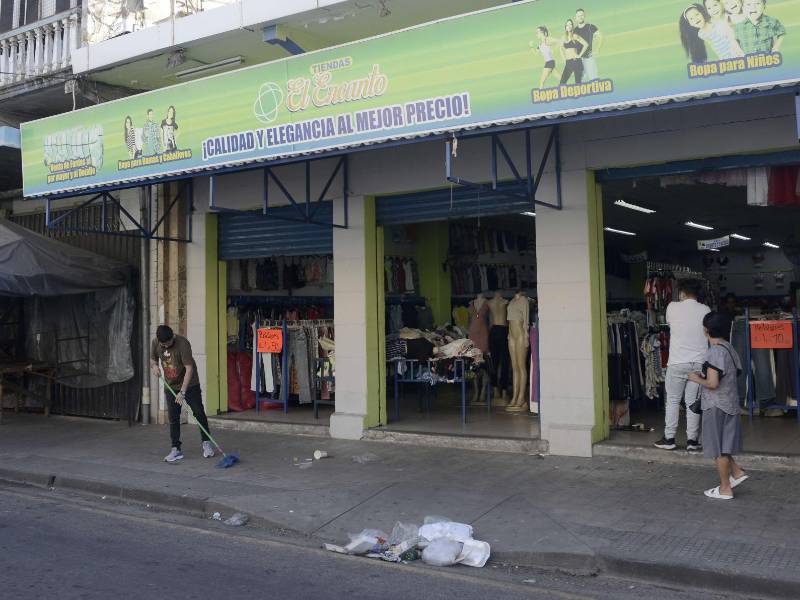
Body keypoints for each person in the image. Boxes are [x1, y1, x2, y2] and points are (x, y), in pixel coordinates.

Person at [688, 312, 748, 500]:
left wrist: (696, 378)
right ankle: (737, 472)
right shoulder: (729, 348)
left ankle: (725, 488)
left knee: (718, 449)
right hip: (730, 403)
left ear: (706, 330)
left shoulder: (714, 352)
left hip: (715, 406)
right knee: (725, 444)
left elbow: (713, 384)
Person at [654, 279, 710, 451]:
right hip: (698, 363)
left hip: (677, 362)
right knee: (692, 402)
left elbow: (672, 324)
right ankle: (692, 441)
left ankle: (669, 438)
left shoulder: (672, 307)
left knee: (672, 401)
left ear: (682, 293)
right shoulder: (706, 310)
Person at [150, 325, 214, 463]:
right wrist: (154, 366)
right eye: (164, 344)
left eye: (168, 343)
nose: (166, 346)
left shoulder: (183, 344)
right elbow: (153, 359)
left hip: (189, 384)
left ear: (172, 336)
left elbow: (189, 368)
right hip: (170, 385)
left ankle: (206, 443)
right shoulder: (155, 342)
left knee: (198, 412)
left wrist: (183, 392)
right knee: (173, 417)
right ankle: (176, 449)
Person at [574, 8, 602, 81]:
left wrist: (597, 50)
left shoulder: (590, 27)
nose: (580, 17)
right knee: (580, 81)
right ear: (576, 18)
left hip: (589, 58)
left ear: (584, 16)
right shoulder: (575, 30)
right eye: (578, 16)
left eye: (582, 15)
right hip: (579, 60)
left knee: (594, 79)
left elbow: (601, 37)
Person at [560, 19, 588, 85]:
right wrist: (564, 60)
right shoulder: (563, 37)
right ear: (565, 27)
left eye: (570, 24)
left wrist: (579, 55)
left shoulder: (575, 36)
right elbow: (561, 49)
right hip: (568, 63)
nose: (569, 26)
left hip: (576, 62)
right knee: (562, 83)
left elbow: (586, 44)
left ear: (572, 26)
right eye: (567, 25)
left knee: (578, 84)